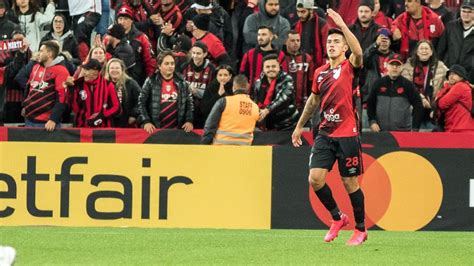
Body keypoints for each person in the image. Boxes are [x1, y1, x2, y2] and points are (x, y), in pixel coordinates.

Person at [291, 9, 367, 245]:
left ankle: (361, 229)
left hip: (348, 134)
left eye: (337, 42)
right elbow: (313, 101)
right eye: (329, 42)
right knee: (315, 179)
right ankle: (337, 217)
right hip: (325, 133)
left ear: (343, 47)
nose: (332, 45)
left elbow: (358, 51)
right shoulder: (320, 72)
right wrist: (299, 126)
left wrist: (343, 24)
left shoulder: (350, 67)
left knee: (349, 183)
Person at [137, 50, 194, 134]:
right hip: (155, 130)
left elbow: (189, 103)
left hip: (178, 131)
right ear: (159, 66)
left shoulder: (182, 82)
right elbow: (141, 102)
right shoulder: (151, 81)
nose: (170, 66)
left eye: (172, 63)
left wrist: (189, 120)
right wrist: (146, 121)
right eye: (166, 64)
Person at [367, 53, 424, 132]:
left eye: (398, 65)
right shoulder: (378, 83)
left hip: (403, 133)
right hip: (380, 132)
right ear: (386, 65)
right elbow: (370, 104)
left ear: (402, 67)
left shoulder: (408, 85)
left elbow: (418, 106)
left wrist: (415, 128)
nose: (394, 67)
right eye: (392, 64)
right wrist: (372, 121)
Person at [22, 40, 69, 131]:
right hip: (29, 118)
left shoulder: (61, 71)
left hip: (46, 122)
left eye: (41, 51)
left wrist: (53, 119)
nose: (38, 53)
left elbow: (62, 97)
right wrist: (24, 106)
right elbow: (29, 87)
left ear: (50, 54)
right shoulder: (36, 67)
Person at [401, 40, 448, 129]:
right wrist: (420, 98)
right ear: (417, 52)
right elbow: (406, 86)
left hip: (433, 110)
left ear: (431, 52)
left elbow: (447, 84)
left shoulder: (440, 66)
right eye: (421, 48)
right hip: (413, 109)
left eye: (426, 48)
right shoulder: (408, 66)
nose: (424, 51)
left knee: (431, 140)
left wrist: (437, 104)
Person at [201, 74, 259, 145]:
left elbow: (210, 125)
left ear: (233, 87)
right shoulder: (255, 107)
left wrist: (204, 144)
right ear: (248, 87)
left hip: (221, 149)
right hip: (243, 151)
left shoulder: (224, 101)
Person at [253, 53, 299, 130]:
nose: (271, 69)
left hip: (288, 125)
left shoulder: (287, 79)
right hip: (268, 125)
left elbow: (283, 99)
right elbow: (255, 101)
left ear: (279, 67)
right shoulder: (258, 83)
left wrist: (267, 110)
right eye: (267, 67)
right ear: (263, 69)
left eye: (273, 66)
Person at [70, 59, 121, 128]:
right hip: (82, 127)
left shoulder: (108, 85)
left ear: (95, 71)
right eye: (83, 70)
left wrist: (101, 115)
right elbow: (75, 109)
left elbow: (117, 108)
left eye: (86, 70)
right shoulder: (78, 84)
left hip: (104, 128)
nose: (83, 73)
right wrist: (71, 89)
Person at [437, 0, 474, 84]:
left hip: (469, 77)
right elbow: (441, 50)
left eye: (470, 12)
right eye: (463, 11)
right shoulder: (451, 27)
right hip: (449, 73)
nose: (466, 14)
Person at [240, 25, 286, 90]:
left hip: (275, 93)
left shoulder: (280, 55)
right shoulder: (249, 54)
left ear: (271, 37)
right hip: (253, 95)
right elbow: (242, 74)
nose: (260, 38)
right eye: (259, 35)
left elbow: (284, 76)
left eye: (264, 35)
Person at [182, 41, 216, 128]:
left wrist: (197, 92)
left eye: (198, 53)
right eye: (193, 53)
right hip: (187, 111)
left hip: (204, 111)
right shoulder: (184, 67)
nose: (195, 56)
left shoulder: (212, 70)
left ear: (205, 54)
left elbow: (213, 94)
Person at [434, 64, 474, 132]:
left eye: (455, 74)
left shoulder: (460, 86)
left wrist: (446, 86)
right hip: (456, 127)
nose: (451, 76)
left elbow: (441, 104)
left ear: (462, 77)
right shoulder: (459, 87)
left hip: (461, 128)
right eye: (450, 74)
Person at [282, 30, 314, 113]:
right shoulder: (280, 59)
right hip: (283, 104)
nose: (296, 43)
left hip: (302, 105)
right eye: (292, 40)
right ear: (285, 42)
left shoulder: (307, 58)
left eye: (298, 40)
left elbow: (311, 81)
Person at [103, 58, 140, 128]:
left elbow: (141, 100)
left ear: (122, 70)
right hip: (109, 122)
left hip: (127, 122)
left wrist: (134, 115)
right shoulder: (104, 84)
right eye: (112, 68)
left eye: (117, 68)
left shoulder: (131, 83)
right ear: (108, 70)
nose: (114, 70)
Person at [294, 0, 329, 68]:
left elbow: (327, 47)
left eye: (303, 12)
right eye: (298, 11)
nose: (300, 15)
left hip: (318, 65)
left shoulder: (322, 25)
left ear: (311, 10)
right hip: (303, 66)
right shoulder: (296, 26)